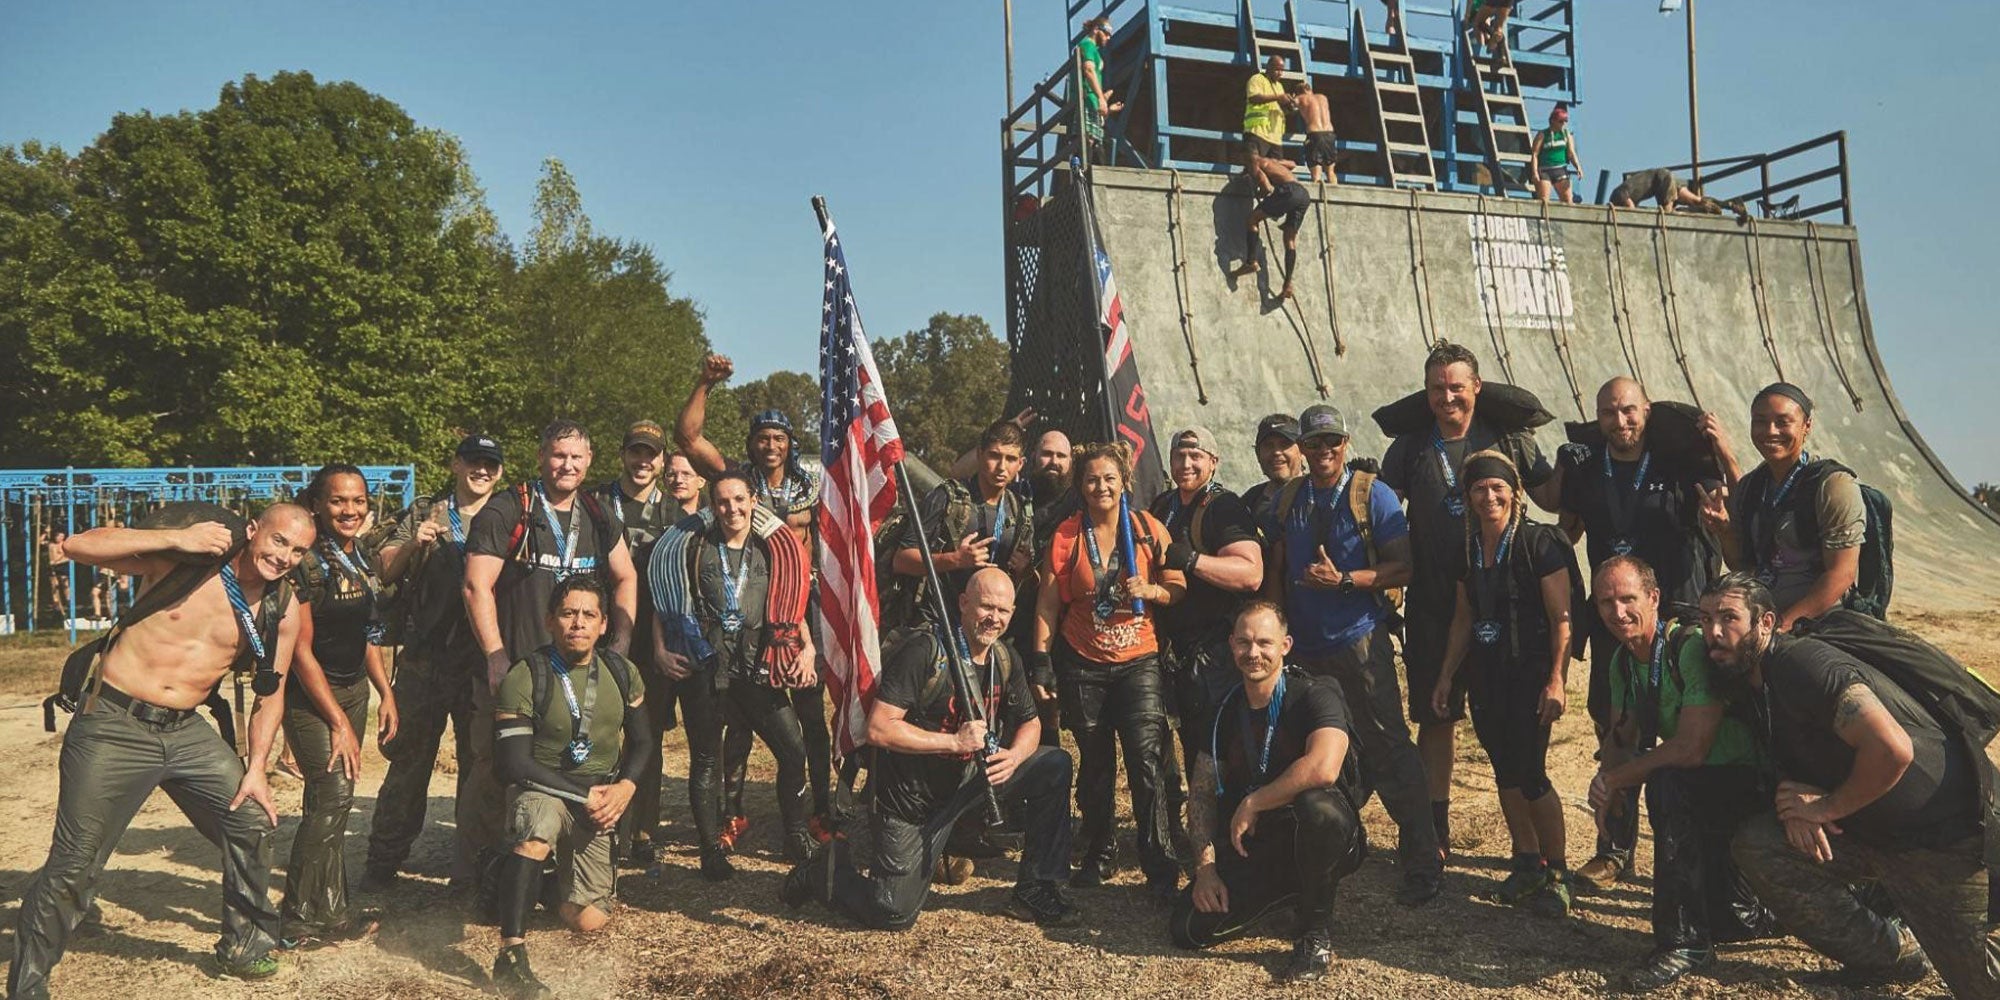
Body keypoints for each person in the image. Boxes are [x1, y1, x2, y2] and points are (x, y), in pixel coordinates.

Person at [10, 505, 315, 995]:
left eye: (298, 551)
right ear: (254, 531)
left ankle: (245, 946)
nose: (285, 557)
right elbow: (81, 545)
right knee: (75, 862)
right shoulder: (188, 560)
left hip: (186, 732)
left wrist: (257, 767)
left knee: (249, 821)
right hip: (114, 723)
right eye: (279, 541)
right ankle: (27, 984)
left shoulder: (284, 606)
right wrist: (178, 538)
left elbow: (271, 692)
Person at [1706, 573, 2000, 995]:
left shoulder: (1802, 664)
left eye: (1728, 617)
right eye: (1705, 619)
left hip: (1942, 841)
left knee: (1982, 988)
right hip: (1871, 832)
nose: (1714, 632)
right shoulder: (1755, 682)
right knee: (1761, 845)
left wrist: (1823, 809)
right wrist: (1795, 797)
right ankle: (1889, 957)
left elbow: (1892, 749)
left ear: (1766, 622)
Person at [782, 568, 1080, 929]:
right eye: (986, 607)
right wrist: (953, 741)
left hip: (968, 782)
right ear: (963, 604)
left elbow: (1031, 722)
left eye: (1003, 611)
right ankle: (823, 872)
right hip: (911, 801)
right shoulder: (925, 652)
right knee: (893, 911)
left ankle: (1036, 889)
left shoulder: (1004, 658)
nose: (994, 618)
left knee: (1053, 764)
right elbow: (879, 728)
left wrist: (1015, 756)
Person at [1557, 377, 1737, 888]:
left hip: (1677, 620)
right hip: (1616, 622)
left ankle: (1699, 856)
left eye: (1630, 411)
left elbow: (1735, 505)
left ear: (1647, 411)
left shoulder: (1680, 463)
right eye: (1610, 413)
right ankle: (1613, 852)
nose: (1621, 422)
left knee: (1692, 737)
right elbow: (1565, 525)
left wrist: (1723, 451)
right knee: (1618, 733)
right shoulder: (1591, 469)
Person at [1262, 404, 1441, 905]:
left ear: (1345, 443)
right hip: (1305, 648)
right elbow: (1274, 562)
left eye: (1332, 443)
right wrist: (1275, 624)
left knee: (1388, 746)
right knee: (1317, 753)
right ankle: (1332, 853)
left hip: (1359, 642)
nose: (1323, 452)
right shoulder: (1289, 498)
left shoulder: (1371, 494)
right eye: (1314, 444)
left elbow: (1402, 567)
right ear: (1302, 448)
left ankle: (1423, 861)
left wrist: (1342, 580)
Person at [1380, 341, 1553, 855]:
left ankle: (1534, 842)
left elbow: (1552, 497)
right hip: (1434, 603)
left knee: (1507, 715)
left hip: (1503, 604)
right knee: (1437, 716)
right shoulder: (1410, 448)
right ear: (1426, 391)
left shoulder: (1508, 439)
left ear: (1476, 387)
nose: (1447, 397)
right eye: (1438, 388)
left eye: (1457, 386)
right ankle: (1436, 826)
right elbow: (1382, 516)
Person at [1588, 558, 1773, 990]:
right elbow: (1621, 738)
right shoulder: (1621, 661)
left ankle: (1683, 943)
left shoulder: (1687, 647)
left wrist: (1621, 780)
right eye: (1606, 603)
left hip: (1746, 782)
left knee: (1666, 783)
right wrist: (1606, 791)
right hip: (1705, 789)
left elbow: (1691, 749)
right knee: (1735, 922)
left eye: (1628, 599)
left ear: (1653, 598)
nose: (1618, 613)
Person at [675, 354, 836, 841]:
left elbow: (830, 535)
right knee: (738, 718)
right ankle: (733, 811)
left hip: (796, 610)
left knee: (810, 711)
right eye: (763, 437)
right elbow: (688, 438)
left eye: (780, 438)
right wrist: (705, 383)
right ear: (751, 443)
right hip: (741, 608)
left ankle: (820, 810)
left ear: (791, 443)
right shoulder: (736, 480)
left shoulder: (812, 485)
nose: (771, 445)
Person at [1168, 601, 1367, 984]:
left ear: (1285, 645)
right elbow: (1203, 793)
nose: (1253, 653)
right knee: (1187, 929)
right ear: (1231, 645)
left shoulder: (1316, 693)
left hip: (1327, 833)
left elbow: (1324, 767)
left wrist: (1254, 801)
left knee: (1317, 807)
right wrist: (1206, 868)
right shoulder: (1224, 710)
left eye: (1264, 642)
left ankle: (1315, 933)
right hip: (1262, 845)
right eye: (1243, 643)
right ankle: (1293, 892)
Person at [1031, 442, 1187, 899]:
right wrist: (1042, 663)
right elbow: (1047, 604)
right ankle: (1100, 852)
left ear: (1124, 484)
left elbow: (1178, 586)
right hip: (1084, 664)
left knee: (1146, 761)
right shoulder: (1065, 535)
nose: (1102, 486)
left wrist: (1154, 592)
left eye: (1110, 479)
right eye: (1093, 479)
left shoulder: (1147, 528)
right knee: (1095, 766)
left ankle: (1159, 864)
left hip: (1139, 661)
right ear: (1081, 485)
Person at [488, 578, 654, 1000]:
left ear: (603, 626)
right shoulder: (526, 675)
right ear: (550, 621)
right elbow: (513, 763)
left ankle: (517, 881)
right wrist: (583, 796)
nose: (577, 623)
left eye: (588, 615)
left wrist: (625, 788)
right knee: (539, 826)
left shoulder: (621, 671)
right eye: (567, 613)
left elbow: (644, 741)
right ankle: (511, 955)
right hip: (544, 787)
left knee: (588, 921)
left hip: (599, 796)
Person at [649, 470, 818, 879]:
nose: (732, 509)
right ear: (712, 504)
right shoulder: (694, 545)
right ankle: (710, 849)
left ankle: (795, 832)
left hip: (759, 665)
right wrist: (659, 650)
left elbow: (792, 606)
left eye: (739, 499)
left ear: (753, 500)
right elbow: (666, 602)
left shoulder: (772, 548)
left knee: (793, 750)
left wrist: (808, 648)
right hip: (707, 666)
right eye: (723, 501)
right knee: (706, 758)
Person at [1430, 450, 1578, 917]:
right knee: (1504, 771)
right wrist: (1447, 676)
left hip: (1531, 675)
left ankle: (1558, 872)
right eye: (1478, 488)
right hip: (1486, 676)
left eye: (1497, 488)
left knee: (1531, 772)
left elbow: (1562, 620)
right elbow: (1463, 618)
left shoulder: (1540, 544)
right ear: (1469, 497)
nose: (1488, 496)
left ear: (1515, 493)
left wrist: (1557, 679)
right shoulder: (1467, 550)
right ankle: (1526, 861)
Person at [366, 434, 506, 891]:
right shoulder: (426, 511)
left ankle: (471, 867)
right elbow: (384, 569)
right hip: (426, 658)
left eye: (490, 464)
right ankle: (383, 860)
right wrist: (414, 544)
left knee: (479, 765)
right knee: (409, 763)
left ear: (500, 471)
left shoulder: (507, 515)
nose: (481, 470)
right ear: (455, 464)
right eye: (473, 461)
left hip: (479, 661)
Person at [280, 464, 398, 946]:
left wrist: (386, 692)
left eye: (358, 501)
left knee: (337, 801)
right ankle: (294, 919)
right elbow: (301, 651)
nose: (349, 510)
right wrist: (336, 721)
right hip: (312, 697)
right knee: (329, 798)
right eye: (338, 501)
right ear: (317, 504)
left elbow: (368, 635)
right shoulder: (307, 563)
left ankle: (331, 912)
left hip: (354, 691)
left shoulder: (361, 556)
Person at [1697, 382, 1864, 631]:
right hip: (1764, 618)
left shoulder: (1832, 485)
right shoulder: (1751, 487)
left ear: (1806, 426)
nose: (1770, 431)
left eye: (1783, 422)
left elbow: (1841, 574)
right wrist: (1723, 530)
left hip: (1823, 623)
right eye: (1760, 422)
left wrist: (1783, 625)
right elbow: (1744, 567)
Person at [1148, 428, 1263, 776]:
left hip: (1214, 653)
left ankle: (1228, 826)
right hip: (1173, 652)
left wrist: (1193, 561)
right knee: (1187, 744)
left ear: (1213, 463)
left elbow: (1250, 573)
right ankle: (1196, 826)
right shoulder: (1163, 505)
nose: (1186, 463)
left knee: (1218, 748)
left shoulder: (1222, 506)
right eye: (1179, 456)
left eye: (1196, 456)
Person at [593, 421, 680, 865]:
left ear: (662, 461)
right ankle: (598, 829)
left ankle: (644, 831)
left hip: (654, 643)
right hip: (600, 636)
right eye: (635, 452)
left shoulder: (677, 515)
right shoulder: (597, 504)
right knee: (597, 733)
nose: (643, 461)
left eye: (651, 454)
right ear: (622, 454)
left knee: (646, 739)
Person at [893, 419, 1036, 631]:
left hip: (989, 627)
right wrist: (954, 559)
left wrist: (1025, 571)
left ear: (1020, 464)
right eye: (994, 456)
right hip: (935, 624)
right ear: (980, 454)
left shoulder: (1020, 511)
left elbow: (1030, 578)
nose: (1001, 467)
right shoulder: (947, 498)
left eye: (1010, 459)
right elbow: (902, 560)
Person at [1229, 154, 1310, 300]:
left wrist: (1261, 194)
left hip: (1288, 191)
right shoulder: (1272, 162)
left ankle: (1251, 262)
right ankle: (1288, 284)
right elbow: (1292, 163)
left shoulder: (1254, 162)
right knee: (1289, 239)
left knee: (1252, 219)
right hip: (1303, 194)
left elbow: (1266, 187)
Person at [1075, 16, 1124, 164]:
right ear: (1096, 29)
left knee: (1097, 148)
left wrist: (1105, 104)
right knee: (1088, 144)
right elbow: (1088, 70)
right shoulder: (1087, 45)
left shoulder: (1095, 52)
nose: (1109, 37)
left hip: (1092, 103)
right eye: (1106, 33)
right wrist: (1101, 98)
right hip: (1086, 100)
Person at [1241, 412, 1303, 525]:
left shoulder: (1318, 494)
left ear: (1302, 450)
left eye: (1285, 444)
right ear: (1258, 454)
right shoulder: (1249, 502)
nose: (1276, 452)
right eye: (1268, 446)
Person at [1609, 168, 1746, 219]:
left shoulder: (1618, 196)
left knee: (1668, 217)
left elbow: (1633, 214)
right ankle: (1731, 204)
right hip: (1664, 176)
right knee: (1697, 200)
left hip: (1662, 181)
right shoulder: (1620, 191)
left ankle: (1685, 211)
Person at [1242, 54, 1291, 165]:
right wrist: (1278, 97)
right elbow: (1253, 98)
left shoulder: (1279, 86)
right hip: (1258, 132)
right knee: (1255, 168)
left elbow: (1279, 108)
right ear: (1268, 67)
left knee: (1275, 171)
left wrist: (1289, 106)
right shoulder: (1257, 79)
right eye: (1277, 69)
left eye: (1282, 70)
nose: (1280, 73)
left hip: (1275, 136)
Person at [1528, 103, 1580, 204]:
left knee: (1568, 200)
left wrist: (1578, 167)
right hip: (1544, 170)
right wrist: (1534, 172)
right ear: (1553, 121)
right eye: (1560, 121)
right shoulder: (1542, 135)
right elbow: (1535, 154)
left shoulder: (1566, 135)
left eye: (1565, 121)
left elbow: (1571, 153)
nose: (1563, 124)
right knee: (1544, 200)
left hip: (1560, 169)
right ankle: (1543, 219)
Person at [1293, 79, 1337, 184]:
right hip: (1330, 134)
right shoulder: (1323, 98)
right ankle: (1336, 196)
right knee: (1330, 172)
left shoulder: (1300, 98)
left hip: (1315, 134)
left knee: (1316, 173)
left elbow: (1291, 105)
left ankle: (1319, 197)